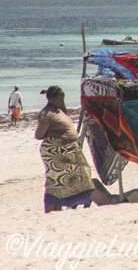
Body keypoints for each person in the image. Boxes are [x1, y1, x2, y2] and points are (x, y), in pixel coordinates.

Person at [34, 85, 95, 213]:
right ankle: (50, 213)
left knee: (74, 179)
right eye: (60, 100)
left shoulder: (58, 110)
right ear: (52, 99)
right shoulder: (46, 114)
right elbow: (39, 135)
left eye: (63, 100)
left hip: (68, 150)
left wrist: (62, 106)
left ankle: (60, 209)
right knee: (55, 182)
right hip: (56, 152)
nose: (63, 102)